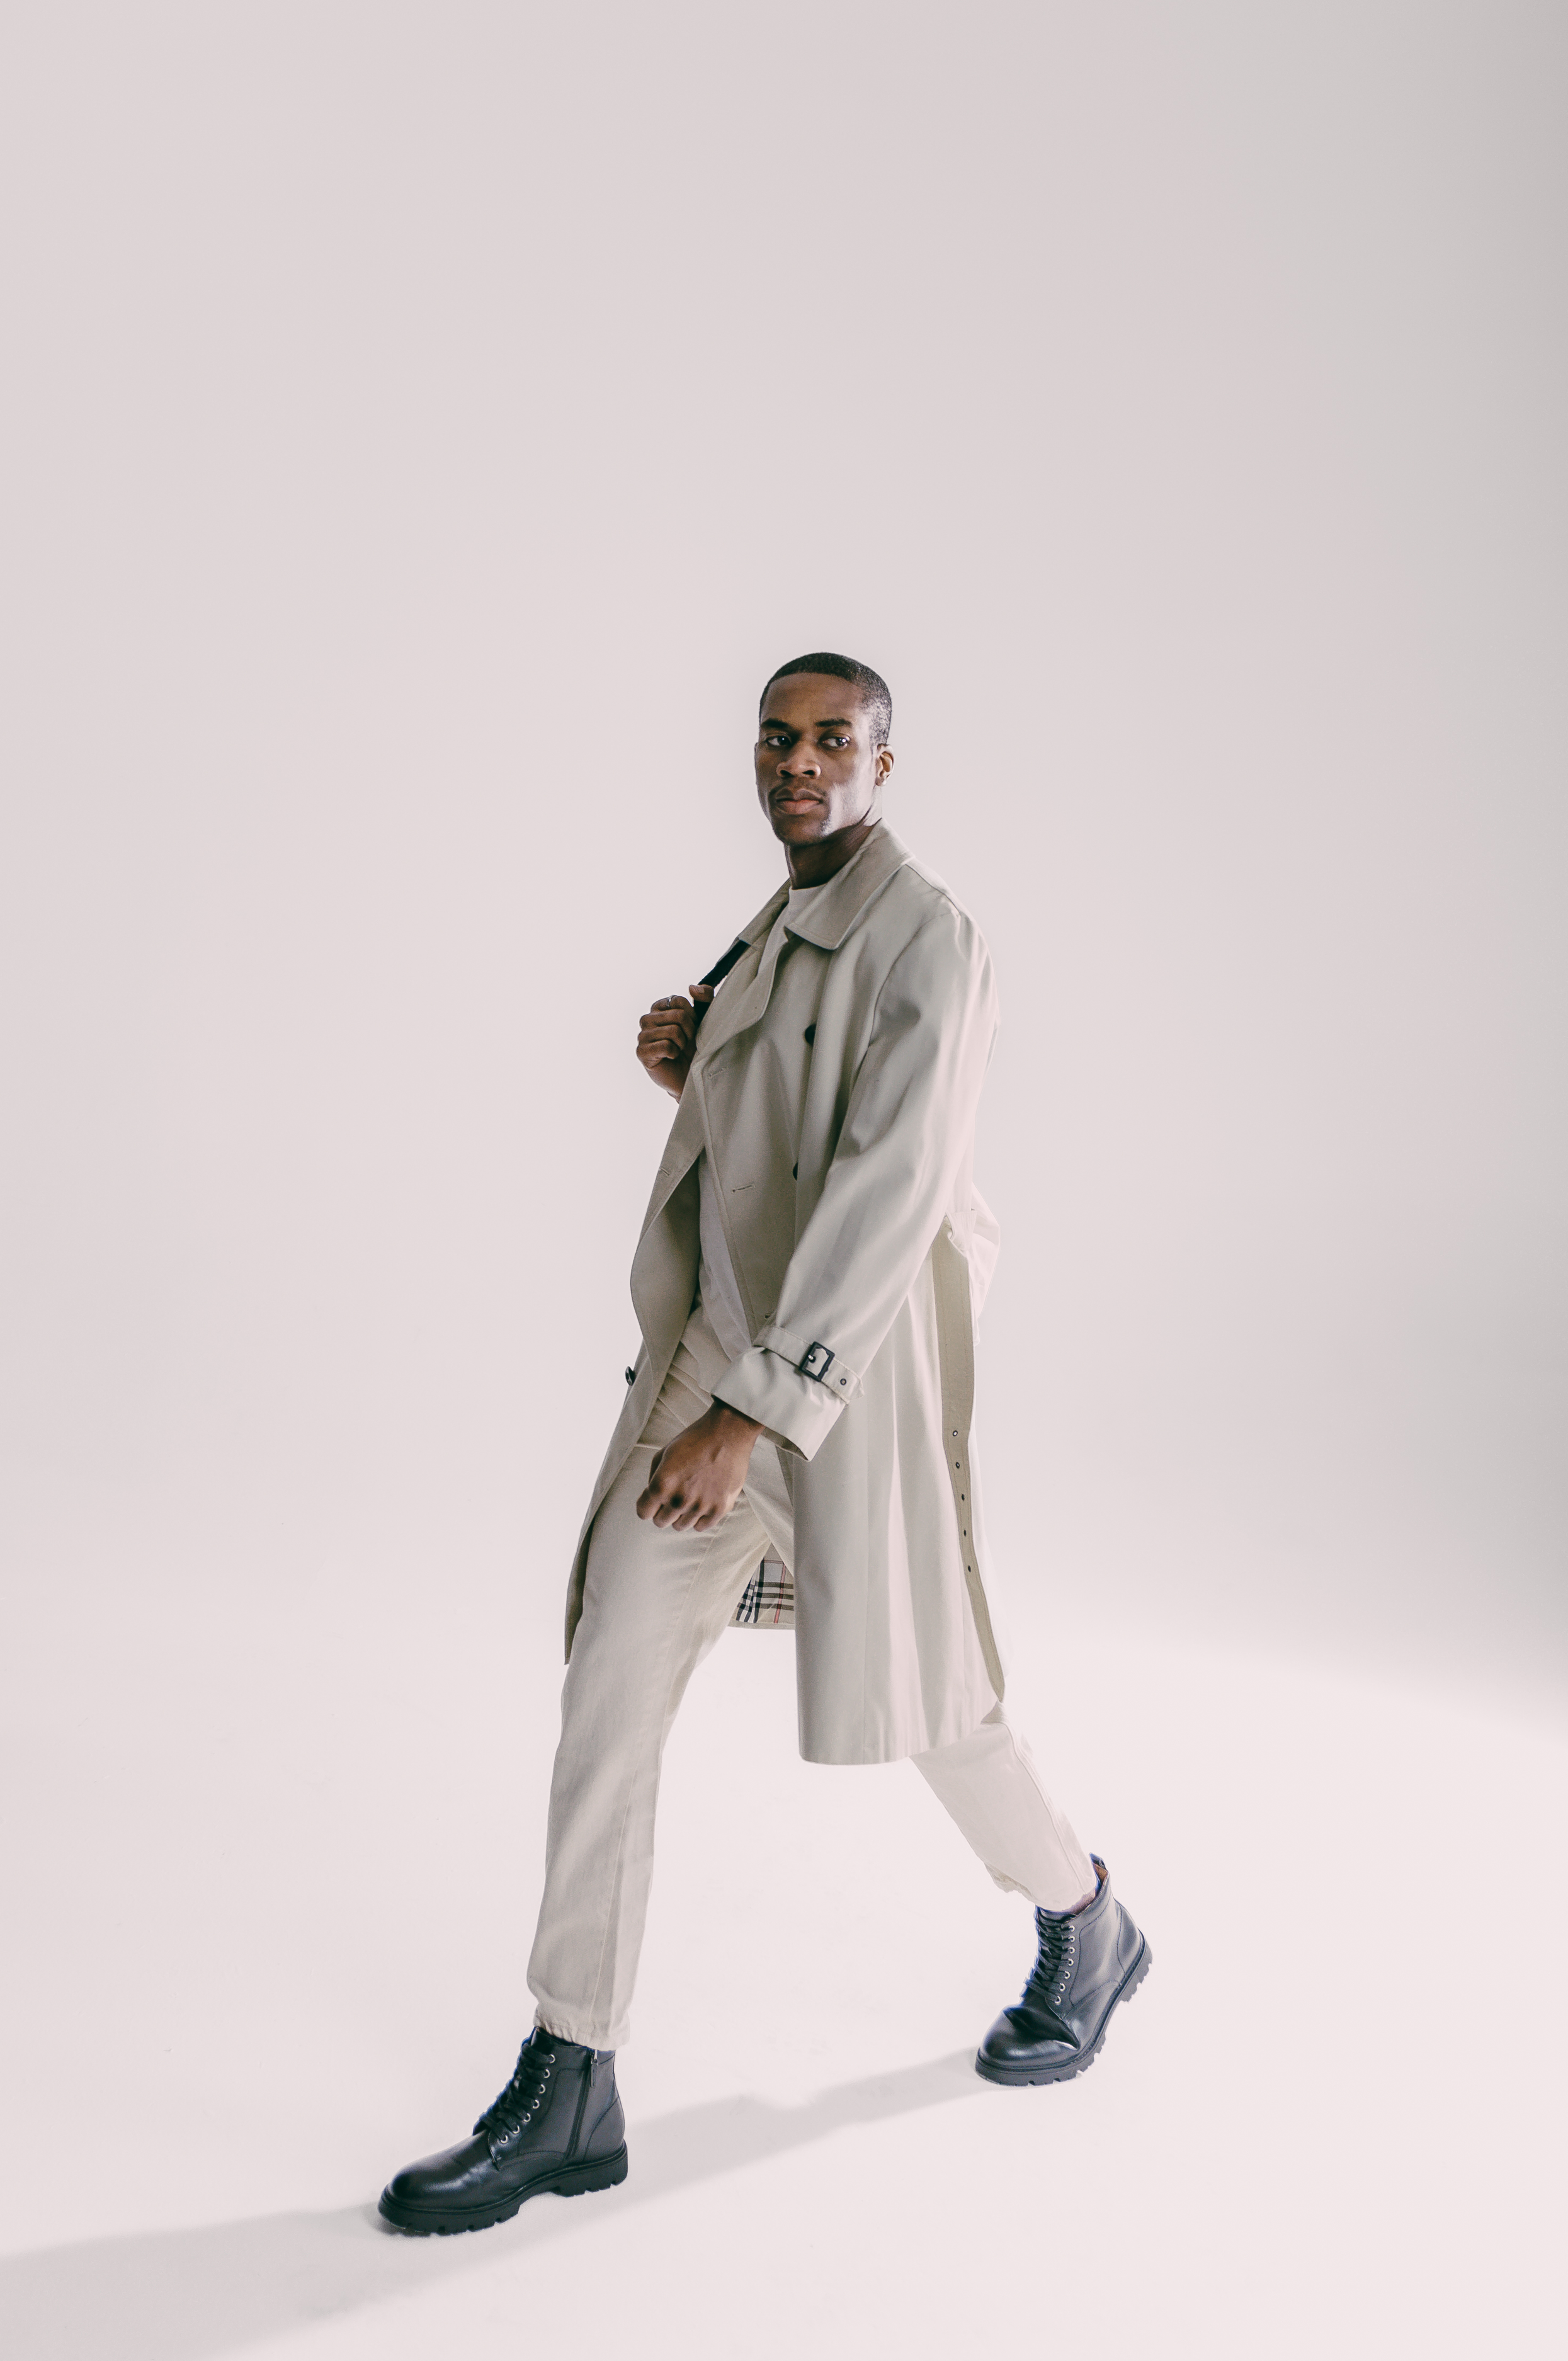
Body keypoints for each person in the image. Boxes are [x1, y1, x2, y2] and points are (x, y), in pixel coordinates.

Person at [379, 653, 1149, 2236]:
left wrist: (753, 1413)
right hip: (707, 1390)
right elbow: (778, 1135)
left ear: (884, 761)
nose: (797, 766)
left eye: (830, 743)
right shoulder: (775, 920)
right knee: (608, 1685)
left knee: (937, 1710)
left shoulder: (928, 941)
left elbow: (883, 1196)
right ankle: (571, 2068)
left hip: (825, 1408)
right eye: (776, 741)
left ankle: (1085, 1918)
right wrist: (697, 1063)